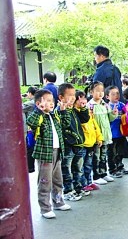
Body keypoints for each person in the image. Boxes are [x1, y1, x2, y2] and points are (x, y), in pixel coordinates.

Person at [26, 89, 72, 219]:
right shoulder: (39, 116)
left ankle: (58, 202)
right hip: (44, 153)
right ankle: (45, 208)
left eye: (52, 101)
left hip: (57, 151)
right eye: (47, 101)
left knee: (58, 180)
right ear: (38, 103)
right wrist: (38, 110)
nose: (51, 103)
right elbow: (31, 122)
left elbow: (66, 124)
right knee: (45, 181)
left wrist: (63, 111)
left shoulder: (54, 115)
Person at [58, 83, 90, 201]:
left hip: (79, 144)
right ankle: (68, 191)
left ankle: (78, 188)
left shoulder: (73, 110)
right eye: (70, 95)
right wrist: (63, 111)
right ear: (61, 97)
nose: (73, 98)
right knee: (67, 169)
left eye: (74, 95)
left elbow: (85, 119)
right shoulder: (60, 110)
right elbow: (63, 125)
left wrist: (83, 107)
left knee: (78, 168)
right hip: (68, 145)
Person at [87, 81, 118, 185]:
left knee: (103, 155)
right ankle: (96, 176)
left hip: (105, 134)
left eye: (102, 91)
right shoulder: (90, 105)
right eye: (97, 91)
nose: (100, 93)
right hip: (96, 136)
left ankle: (103, 173)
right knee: (96, 156)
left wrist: (113, 114)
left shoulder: (105, 104)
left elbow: (109, 118)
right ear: (91, 92)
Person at [77, 90, 103, 192]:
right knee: (81, 166)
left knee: (88, 164)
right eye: (80, 99)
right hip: (84, 143)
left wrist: (99, 137)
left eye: (84, 98)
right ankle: (83, 184)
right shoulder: (77, 112)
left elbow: (95, 125)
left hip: (92, 142)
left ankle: (89, 181)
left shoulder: (87, 111)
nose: (82, 101)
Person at [105, 85, 128, 177]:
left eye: (117, 93)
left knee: (120, 151)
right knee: (111, 152)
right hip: (111, 134)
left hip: (121, 132)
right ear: (107, 96)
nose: (116, 95)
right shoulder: (107, 107)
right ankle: (112, 169)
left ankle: (120, 166)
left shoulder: (121, 105)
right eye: (113, 94)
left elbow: (127, 113)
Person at [22, 86, 39, 173]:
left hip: (32, 129)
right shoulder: (38, 101)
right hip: (38, 127)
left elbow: (19, 108)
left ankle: (30, 168)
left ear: (30, 93)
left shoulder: (30, 103)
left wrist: (20, 97)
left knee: (29, 147)